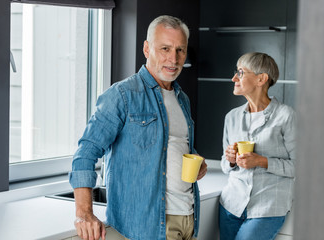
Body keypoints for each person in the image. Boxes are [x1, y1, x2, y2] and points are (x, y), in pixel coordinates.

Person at [69, 15, 207, 240]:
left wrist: (197, 161)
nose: (174, 59)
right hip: (148, 226)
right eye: (165, 48)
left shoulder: (182, 98)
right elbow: (85, 152)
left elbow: (172, 149)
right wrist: (84, 213)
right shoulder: (122, 95)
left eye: (180, 50)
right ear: (146, 49)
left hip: (189, 217)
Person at [219, 52, 296, 240]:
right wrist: (230, 160)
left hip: (268, 207)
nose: (234, 78)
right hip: (231, 205)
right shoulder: (232, 117)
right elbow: (224, 165)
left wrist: (261, 161)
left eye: (241, 72)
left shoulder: (286, 116)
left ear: (261, 79)